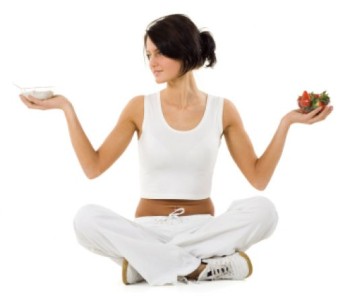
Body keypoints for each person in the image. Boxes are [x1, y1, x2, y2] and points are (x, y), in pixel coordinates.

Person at [20, 14, 333, 286]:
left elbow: (258, 177)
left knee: (265, 211)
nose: (152, 63)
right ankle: (198, 268)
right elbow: (94, 167)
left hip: (203, 228)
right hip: (147, 229)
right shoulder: (139, 107)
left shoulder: (223, 110)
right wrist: (66, 109)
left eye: (160, 53)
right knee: (85, 219)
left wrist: (285, 124)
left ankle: (146, 264)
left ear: (183, 51)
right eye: (148, 55)